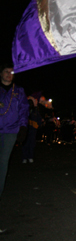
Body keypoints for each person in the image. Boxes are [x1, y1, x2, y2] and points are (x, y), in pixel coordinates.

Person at [0, 62, 29, 197]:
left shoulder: (19, 91)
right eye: (6, 71)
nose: (9, 75)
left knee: (3, 161)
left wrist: (23, 127)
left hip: (10, 130)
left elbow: (24, 110)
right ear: (1, 73)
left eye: (12, 72)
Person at [22, 96, 42, 163]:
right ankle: (24, 157)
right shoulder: (24, 111)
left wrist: (39, 125)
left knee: (32, 144)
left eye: (31, 103)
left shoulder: (35, 111)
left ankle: (30, 156)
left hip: (33, 130)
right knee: (25, 144)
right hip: (26, 129)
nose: (30, 104)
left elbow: (39, 119)